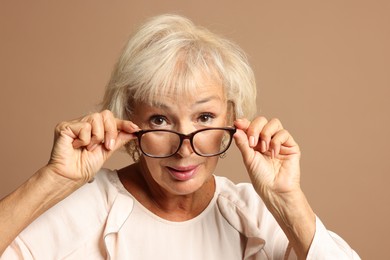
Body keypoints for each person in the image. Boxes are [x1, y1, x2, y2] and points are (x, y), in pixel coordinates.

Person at [0, 14, 359, 259]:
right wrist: (53, 180)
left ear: (232, 118)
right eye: (159, 119)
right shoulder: (91, 206)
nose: (184, 146)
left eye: (204, 116)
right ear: (130, 122)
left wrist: (287, 200)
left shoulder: (252, 211)